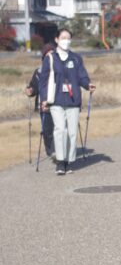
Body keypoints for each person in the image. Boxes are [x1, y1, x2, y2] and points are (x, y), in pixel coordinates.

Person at [37, 29, 95, 175]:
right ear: (56, 39)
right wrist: (44, 99)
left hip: (73, 99)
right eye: (63, 38)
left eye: (68, 38)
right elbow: (43, 82)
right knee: (60, 129)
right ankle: (60, 162)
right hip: (56, 100)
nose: (66, 41)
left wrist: (88, 85)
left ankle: (69, 161)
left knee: (72, 132)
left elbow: (82, 76)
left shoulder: (76, 58)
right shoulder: (50, 58)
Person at [26, 43, 55, 158]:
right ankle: (50, 151)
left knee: (59, 129)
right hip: (43, 106)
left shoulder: (60, 70)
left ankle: (59, 152)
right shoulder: (38, 72)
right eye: (48, 55)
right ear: (44, 57)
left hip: (59, 103)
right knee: (47, 131)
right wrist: (31, 91)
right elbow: (34, 87)